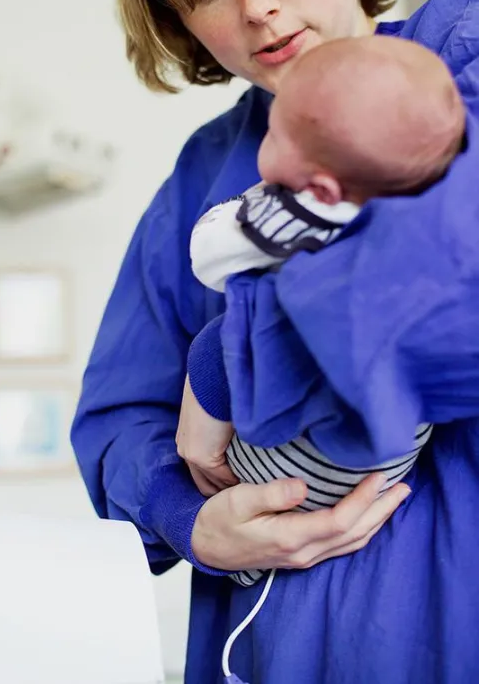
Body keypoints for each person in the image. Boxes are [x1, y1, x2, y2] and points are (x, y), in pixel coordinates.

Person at [71, 0, 479, 684]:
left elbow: (439, 301)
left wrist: (223, 363)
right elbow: (114, 420)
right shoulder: (204, 173)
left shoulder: (460, 58)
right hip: (268, 648)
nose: (256, 3)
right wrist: (189, 518)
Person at [187, 35, 464, 585]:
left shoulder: (300, 210)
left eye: (276, 133)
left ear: (320, 184)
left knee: (224, 336)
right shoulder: (441, 224)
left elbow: (208, 255)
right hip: (382, 473)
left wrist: (250, 207)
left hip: (273, 470)